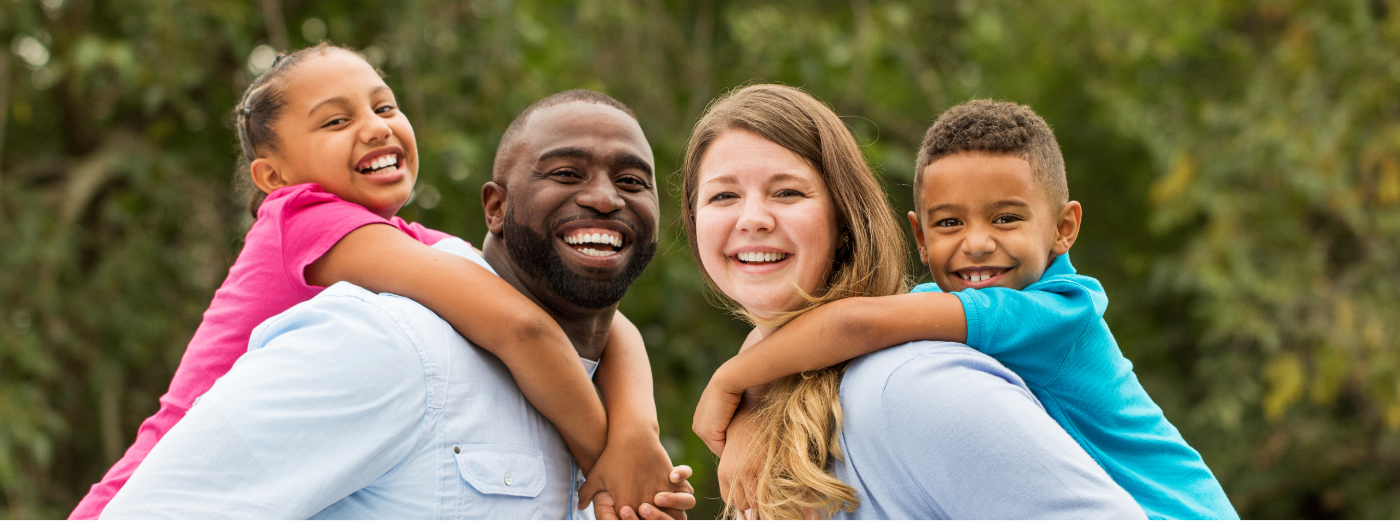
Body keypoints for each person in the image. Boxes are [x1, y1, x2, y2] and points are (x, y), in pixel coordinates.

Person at [73, 43, 676, 520]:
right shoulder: (303, 219)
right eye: (336, 120)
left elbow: (607, 325)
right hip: (152, 490)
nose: (374, 127)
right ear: (273, 173)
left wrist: (637, 432)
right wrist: (605, 459)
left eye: (383, 106)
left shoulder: (410, 243)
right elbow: (521, 326)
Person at [690, 99, 1238, 521]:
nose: (976, 244)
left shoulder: (1056, 311)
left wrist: (729, 383)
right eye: (950, 223)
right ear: (920, 238)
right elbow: (823, 331)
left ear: (1064, 228)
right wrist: (751, 414)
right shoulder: (943, 310)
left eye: (1005, 219)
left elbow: (851, 323)